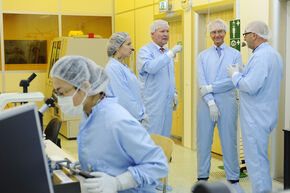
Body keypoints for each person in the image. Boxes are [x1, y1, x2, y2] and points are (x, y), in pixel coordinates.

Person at [50, 55, 169, 193]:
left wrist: (117, 183)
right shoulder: (88, 116)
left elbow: (157, 164)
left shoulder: (117, 121)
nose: (60, 99)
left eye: (62, 92)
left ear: (85, 86)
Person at [227, 21, 284, 193]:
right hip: (265, 115)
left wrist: (235, 75)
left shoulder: (261, 56)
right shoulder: (272, 54)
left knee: (255, 162)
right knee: (260, 159)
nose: (243, 38)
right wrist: (244, 71)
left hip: (255, 118)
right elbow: (261, 80)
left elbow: (250, 87)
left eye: (245, 34)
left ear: (254, 35)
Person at [196, 19, 243, 192]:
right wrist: (210, 100)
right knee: (203, 140)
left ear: (225, 32)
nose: (217, 35)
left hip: (227, 101)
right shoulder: (202, 55)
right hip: (205, 102)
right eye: (214, 32)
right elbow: (202, 81)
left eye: (220, 31)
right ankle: (202, 176)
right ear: (210, 35)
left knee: (229, 140)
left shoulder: (235, 54)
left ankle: (233, 177)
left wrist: (211, 87)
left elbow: (233, 80)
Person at [136, 19, 182, 138]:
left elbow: (170, 76)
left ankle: (163, 157)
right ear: (152, 34)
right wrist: (170, 53)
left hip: (167, 102)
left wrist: (174, 93)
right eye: (162, 31)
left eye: (167, 31)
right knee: (152, 136)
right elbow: (151, 67)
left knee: (165, 137)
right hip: (152, 103)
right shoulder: (145, 51)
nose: (166, 34)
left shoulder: (167, 52)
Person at [105, 32, 148, 127]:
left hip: (131, 118)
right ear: (117, 47)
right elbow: (124, 98)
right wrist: (140, 115)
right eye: (128, 44)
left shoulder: (122, 66)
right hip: (125, 120)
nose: (132, 48)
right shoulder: (113, 68)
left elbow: (133, 92)